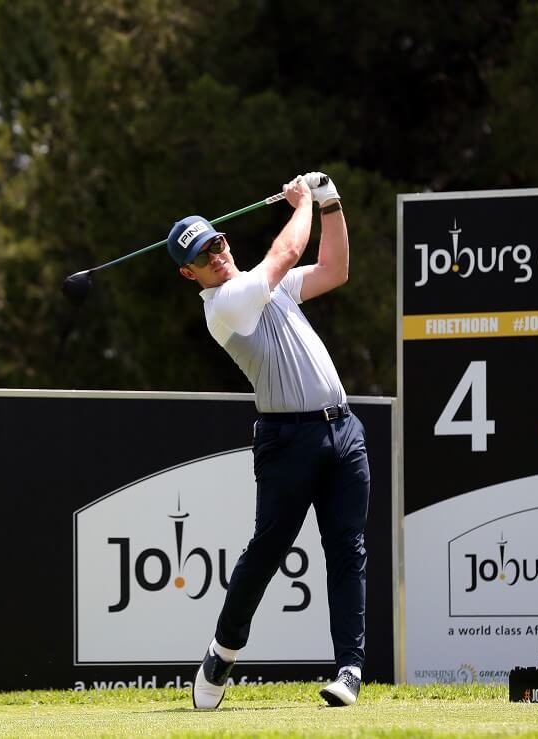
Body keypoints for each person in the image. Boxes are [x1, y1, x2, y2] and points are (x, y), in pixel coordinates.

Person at [166, 172, 369, 710]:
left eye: (218, 241)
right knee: (267, 551)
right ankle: (223, 650)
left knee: (347, 551)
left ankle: (349, 669)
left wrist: (329, 203)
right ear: (191, 273)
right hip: (288, 440)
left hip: (342, 430)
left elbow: (335, 269)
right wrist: (301, 202)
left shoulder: (268, 289)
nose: (217, 253)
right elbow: (284, 251)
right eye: (204, 255)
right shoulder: (226, 304)